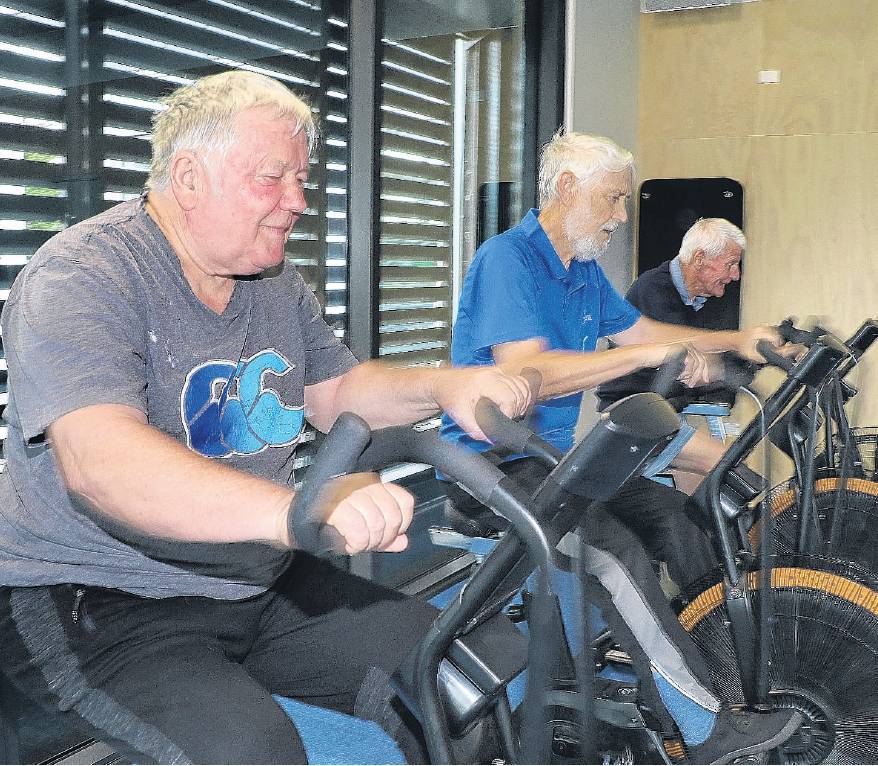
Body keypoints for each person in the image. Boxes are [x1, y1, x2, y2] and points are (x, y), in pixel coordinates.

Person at [0, 70, 535, 764]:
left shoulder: (275, 284)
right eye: (272, 178)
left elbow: (339, 391)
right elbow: (100, 465)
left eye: (301, 180)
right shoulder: (82, 275)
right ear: (188, 176)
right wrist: (297, 511)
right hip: (101, 598)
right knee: (253, 753)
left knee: (468, 674)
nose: (298, 201)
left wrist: (446, 384)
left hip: (252, 576)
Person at [440, 131, 801, 762]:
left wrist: (737, 339)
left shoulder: (582, 271)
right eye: (613, 199)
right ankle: (703, 727)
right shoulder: (509, 260)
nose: (621, 216)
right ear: (570, 189)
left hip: (553, 459)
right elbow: (529, 372)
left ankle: (708, 664)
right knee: (612, 552)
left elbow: (642, 329)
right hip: (490, 462)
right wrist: (641, 356)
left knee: (671, 516)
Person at [596, 217, 752, 492]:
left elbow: (712, 361)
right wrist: (739, 353)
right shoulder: (653, 291)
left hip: (666, 415)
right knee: (731, 468)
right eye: (730, 264)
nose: (735, 275)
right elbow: (689, 361)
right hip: (636, 416)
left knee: (703, 495)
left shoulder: (703, 301)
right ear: (701, 258)